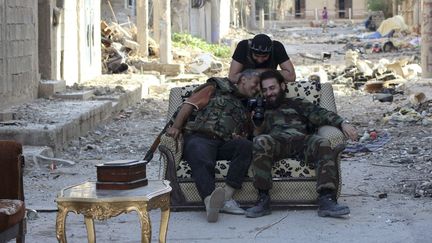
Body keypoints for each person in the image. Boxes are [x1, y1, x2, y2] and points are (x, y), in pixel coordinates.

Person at [245, 70, 358, 218]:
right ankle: (263, 199)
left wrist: (343, 123)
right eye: (265, 90)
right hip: (275, 142)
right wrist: (255, 123)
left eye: (272, 88)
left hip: (301, 141)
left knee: (322, 143)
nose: (269, 93)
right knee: (261, 141)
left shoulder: (297, 103)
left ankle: (326, 199)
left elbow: (322, 114)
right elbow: (253, 135)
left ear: (282, 86)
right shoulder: (260, 108)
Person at [166, 70, 260, 222]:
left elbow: (245, 134)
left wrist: (240, 135)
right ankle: (210, 201)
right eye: (255, 84)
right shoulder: (214, 88)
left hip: (223, 144)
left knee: (246, 146)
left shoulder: (246, 107)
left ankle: (226, 198)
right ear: (243, 79)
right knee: (199, 151)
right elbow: (188, 105)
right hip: (200, 137)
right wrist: (176, 126)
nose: (257, 89)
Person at [228, 34, 296, 84]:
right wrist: (269, 72)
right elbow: (232, 78)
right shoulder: (243, 46)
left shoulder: (277, 47)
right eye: (256, 56)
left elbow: (291, 77)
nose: (260, 60)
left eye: (264, 56)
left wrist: (253, 73)